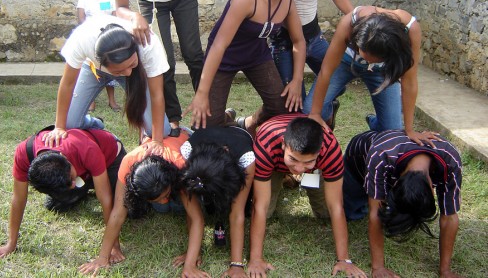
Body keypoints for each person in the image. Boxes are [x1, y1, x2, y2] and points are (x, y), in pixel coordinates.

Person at [111, 0, 255, 135]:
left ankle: (208, 110)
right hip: (151, 2)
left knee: (193, 54)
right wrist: (134, 16)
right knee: (162, 60)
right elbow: (120, 7)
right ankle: (173, 117)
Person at [79, 128, 253, 278]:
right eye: (158, 198)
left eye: (166, 194)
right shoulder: (128, 162)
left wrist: (190, 264)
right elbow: (117, 212)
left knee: (176, 206)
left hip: (182, 148)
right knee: (162, 207)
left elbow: (197, 218)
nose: (163, 200)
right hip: (158, 165)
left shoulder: (181, 165)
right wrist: (103, 257)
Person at [185, 0, 307, 134]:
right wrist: (202, 93)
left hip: (256, 56)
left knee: (281, 108)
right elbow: (218, 45)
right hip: (224, 58)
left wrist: (297, 81)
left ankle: (249, 123)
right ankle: (225, 118)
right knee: (206, 126)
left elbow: (299, 41)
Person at [0, 128, 125, 261]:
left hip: (110, 160)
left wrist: (114, 246)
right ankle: (84, 190)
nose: (73, 184)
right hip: (82, 172)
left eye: (71, 179)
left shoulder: (86, 148)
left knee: (129, 208)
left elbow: (105, 200)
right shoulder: (24, 153)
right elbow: (18, 198)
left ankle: (91, 186)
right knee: (55, 205)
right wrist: (10, 244)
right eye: (69, 184)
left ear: (65, 158)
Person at [248, 113, 367, 278]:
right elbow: (259, 205)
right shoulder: (266, 142)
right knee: (266, 211)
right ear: (283, 145)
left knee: (325, 212)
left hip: (311, 168)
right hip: (273, 163)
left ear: (319, 152)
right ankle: (285, 177)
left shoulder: (330, 148)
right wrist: (255, 259)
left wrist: (344, 260)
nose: (299, 168)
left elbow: (336, 206)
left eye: (308, 161)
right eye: (294, 159)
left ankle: (298, 173)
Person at [308, 5, 439, 145]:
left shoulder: (410, 29)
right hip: (346, 62)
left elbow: (410, 81)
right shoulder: (349, 23)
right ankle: (329, 110)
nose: (368, 63)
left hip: (382, 71)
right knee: (308, 112)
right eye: (366, 56)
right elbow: (326, 71)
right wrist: (315, 113)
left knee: (392, 133)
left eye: (374, 60)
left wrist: (409, 130)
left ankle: (375, 123)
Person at [342, 130, 463, 278]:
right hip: (357, 161)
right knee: (351, 214)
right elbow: (375, 213)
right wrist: (378, 267)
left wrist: (445, 271)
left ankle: (376, 124)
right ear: (394, 183)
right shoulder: (380, 155)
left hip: (390, 153)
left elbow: (449, 217)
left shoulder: (451, 160)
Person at [42, 16, 170, 148]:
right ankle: (95, 123)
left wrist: (156, 140)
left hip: (138, 73)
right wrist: (59, 127)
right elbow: (68, 83)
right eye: (119, 70)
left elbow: (157, 95)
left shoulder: (148, 44)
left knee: (163, 131)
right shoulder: (83, 38)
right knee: (69, 125)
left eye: (132, 64)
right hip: (93, 69)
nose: (128, 73)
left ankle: (144, 126)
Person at [180, 126, 255, 278]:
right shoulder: (186, 152)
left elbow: (237, 214)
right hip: (210, 136)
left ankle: (236, 121)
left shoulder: (247, 159)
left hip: (238, 136)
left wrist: (237, 265)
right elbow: (193, 213)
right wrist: (192, 258)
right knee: (207, 206)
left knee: (245, 208)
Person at [76, 0, 120, 112]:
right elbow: (81, 18)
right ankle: (91, 101)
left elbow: (115, 16)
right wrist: (91, 31)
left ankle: (111, 100)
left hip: (108, 38)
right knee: (92, 68)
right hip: (90, 39)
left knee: (110, 68)